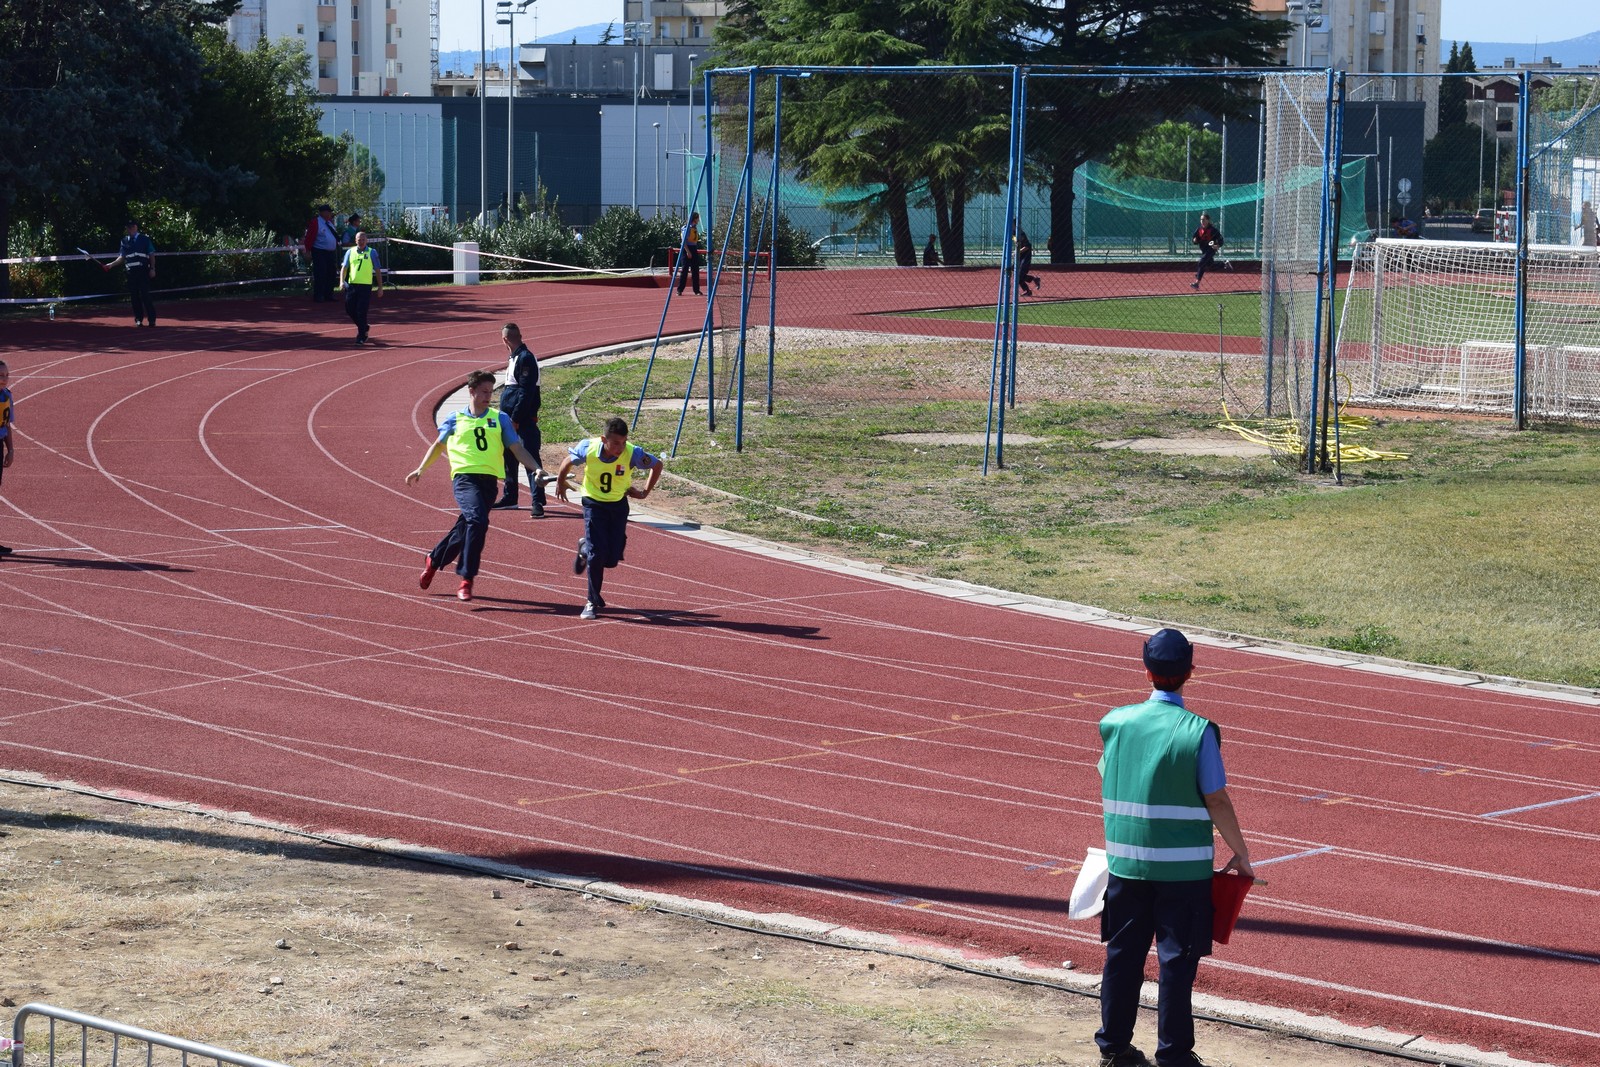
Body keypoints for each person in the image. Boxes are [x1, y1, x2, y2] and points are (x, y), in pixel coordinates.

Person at [1095, 628, 1253, 1067]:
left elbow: (1109, 773)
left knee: (1122, 956)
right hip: (1183, 873)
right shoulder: (1198, 732)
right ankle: (1174, 1056)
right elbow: (1216, 798)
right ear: (1191, 672)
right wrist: (1240, 852)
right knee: (1177, 963)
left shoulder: (1115, 722)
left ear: (1146, 671)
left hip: (1126, 864)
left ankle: (1114, 1049)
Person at [405, 370, 544, 602]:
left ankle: (434, 559)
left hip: (489, 483)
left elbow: (517, 448)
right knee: (478, 522)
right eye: (484, 392)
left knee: (467, 526)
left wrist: (536, 468)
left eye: (491, 392)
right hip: (464, 479)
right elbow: (438, 446)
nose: (488, 396)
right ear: (471, 391)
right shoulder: (455, 418)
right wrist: (420, 469)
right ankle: (466, 578)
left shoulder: (500, 419)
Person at [554, 416, 663, 619]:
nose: (620, 448)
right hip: (593, 503)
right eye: (615, 443)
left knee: (611, 559)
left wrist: (645, 492)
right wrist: (560, 482)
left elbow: (657, 465)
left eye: (623, 442)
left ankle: (584, 548)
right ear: (604, 439)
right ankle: (591, 601)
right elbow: (567, 461)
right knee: (597, 555)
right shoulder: (588, 448)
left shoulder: (633, 452)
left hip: (618, 504)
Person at [490, 322, 548, 517]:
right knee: (509, 458)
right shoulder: (514, 357)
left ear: (504, 340)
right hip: (511, 418)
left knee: (530, 458)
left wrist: (515, 418)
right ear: (520, 336)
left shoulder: (525, 358)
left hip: (522, 420)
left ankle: (537, 501)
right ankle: (510, 497)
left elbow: (526, 392)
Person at [100, 219, 157, 326]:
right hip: (131, 272)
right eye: (128, 227)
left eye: (132, 227)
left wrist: (152, 268)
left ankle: (152, 319)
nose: (130, 229)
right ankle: (138, 319)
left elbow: (151, 254)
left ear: (136, 227)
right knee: (134, 297)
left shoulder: (145, 239)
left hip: (143, 271)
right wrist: (110, 265)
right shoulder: (124, 241)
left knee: (146, 295)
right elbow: (122, 257)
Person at [338, 230, 383, 345]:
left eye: (363, 240)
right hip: (352, 285)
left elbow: (377, 270)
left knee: (361, 311)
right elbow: (344, 268)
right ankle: (364, 327)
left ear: (366, 240)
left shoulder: (372, 252)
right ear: (355, 240)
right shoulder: (350, 252)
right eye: (359, 240)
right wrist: (341, 281)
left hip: (365, 286)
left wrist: (380, 287)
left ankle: (361, 336)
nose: (361, 242)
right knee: (349, 309)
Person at [302, 204, 340, 301]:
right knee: (321, 273)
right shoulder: (316, 222)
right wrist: (307, 251)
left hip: (330, 252)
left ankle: (329, 294)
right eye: (328, 211)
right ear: (322, 212)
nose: (330, 213)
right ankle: (319, 295)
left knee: (331, 273)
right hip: (319, 251)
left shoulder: (329, 223)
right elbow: (309, 237)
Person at [0, 360, 14, 558]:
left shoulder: (7, 395)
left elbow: (7, 424)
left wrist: (11, 449)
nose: (4, 379)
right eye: (0, 375)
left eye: (6, 375)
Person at [1190, 212, 1224, 290]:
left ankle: (1196, 283)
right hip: (1204, 250)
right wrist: (1194, 240)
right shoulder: (1199, 230)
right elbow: (1195, 239)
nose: (1202, 221)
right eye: (1201, 220)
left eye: (1204, 220)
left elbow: (1221, 240)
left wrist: (1217, 245)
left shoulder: (1213, 230)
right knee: (1210, 266)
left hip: (1211, 250)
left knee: (1201, 262)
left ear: (1208, 220)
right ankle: (1224, 264)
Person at [676, 212, 703, 296]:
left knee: (695, 270)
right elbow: (683, 242)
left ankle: (696, 290)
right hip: (686, 249)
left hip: (693, 248)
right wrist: (688, 252)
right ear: (694, 219)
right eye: (698, 218)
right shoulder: (687, 228)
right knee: (685, 270)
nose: (698, 220)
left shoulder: (694, 228)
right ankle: (680, 290)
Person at [1016, 227, 1042, 296]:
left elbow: (1027, 246)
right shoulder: (1013, 234)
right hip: (1020, 257)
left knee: (1018, 276)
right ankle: (1034, 280)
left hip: (1025, 257)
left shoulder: (1021, 234)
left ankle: (1028, 290)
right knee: (1017, 274)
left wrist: (1017, 252)